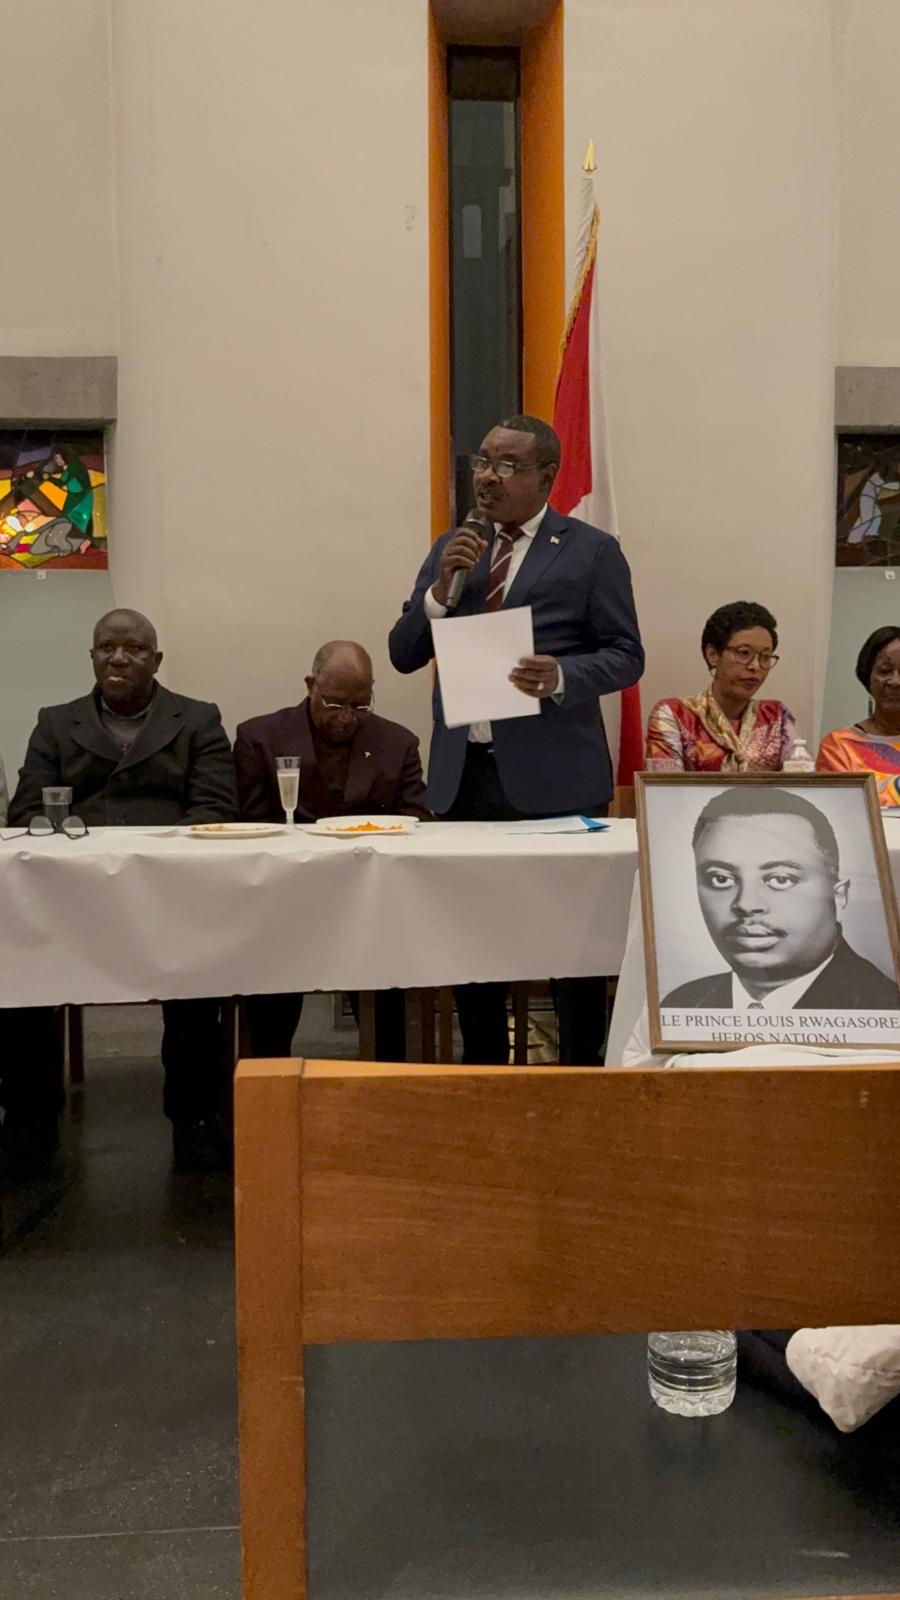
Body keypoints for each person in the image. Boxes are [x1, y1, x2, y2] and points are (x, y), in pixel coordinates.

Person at [388, 413, 644, 1065]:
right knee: (475, 943)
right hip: (466, 777)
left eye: (507, 466)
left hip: (556, 782)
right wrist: (439, 595)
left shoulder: (590, 551)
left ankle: (579, 1076)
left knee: (572, 948)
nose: (488, 478)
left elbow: (626, 655)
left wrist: (563, 675)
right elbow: (402, 653)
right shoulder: (454, 548)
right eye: (482, 462)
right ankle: (485, 1072)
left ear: (546, 476)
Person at [4, 608, 238, 1173]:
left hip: (170, 897)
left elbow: (215, 809)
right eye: (107, 647)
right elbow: (27, 811)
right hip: (72, 902)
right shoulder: (55, 723)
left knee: (198, 980)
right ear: (91, 656)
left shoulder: (198, 719)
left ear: (156, 660)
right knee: (18, 971)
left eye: (133, 649)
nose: (118, 658)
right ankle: (30, 1120)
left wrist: (149, 860)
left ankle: (194, 1118)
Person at [233, 640, 429, 1060]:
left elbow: (417, 822)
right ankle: (269, 1081)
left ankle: (385, 1080)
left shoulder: (397, 743)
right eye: (335, 704)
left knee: (388, 993)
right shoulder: (260, 738)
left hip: (369, 904)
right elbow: (250, 828)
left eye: (360, 706)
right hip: (284, 902)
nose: (346, 718)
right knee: (269, 997)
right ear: (311, 686)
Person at [662, 786, 900, 1010]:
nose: (746, 904)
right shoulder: (682, 1004)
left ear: (838, 895)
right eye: (720, 879)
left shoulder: (882, 1006)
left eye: (780, 879)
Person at [645, 600, 797, 772]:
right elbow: (664, 785)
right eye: (744, 653)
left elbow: (801, 782)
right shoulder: (674, 714)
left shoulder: (777, 716)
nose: (755, 666)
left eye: (765, 657)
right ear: (712, 655)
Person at [817, 626, 900, 806]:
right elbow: (841, 810)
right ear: (867, 676)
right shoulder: (839, 745)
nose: (895, 681)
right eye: (884, 671)